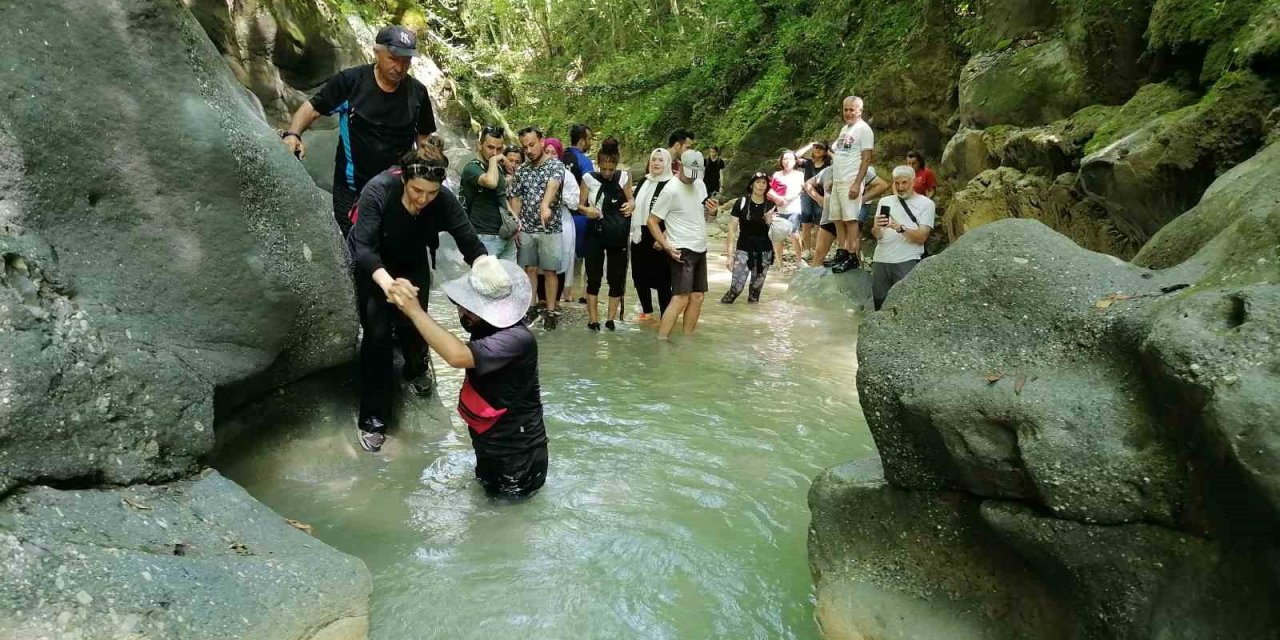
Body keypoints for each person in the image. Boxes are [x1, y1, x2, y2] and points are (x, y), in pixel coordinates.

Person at [347, 152, 487, 452]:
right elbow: (363, 248)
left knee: (416, 322)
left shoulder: (444, 200)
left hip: (412, 260)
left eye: (431, 193)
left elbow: (470, 243)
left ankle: (416, 365)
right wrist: (387, 283)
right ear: (404, 178)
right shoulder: (379, 190)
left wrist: (489, 270)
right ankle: (373, 418)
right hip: (376, 264)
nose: (423, 199)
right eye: (416, 191)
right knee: (377, 336)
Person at [386, 256, 547, 498]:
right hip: (491, 447)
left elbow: (456, 356)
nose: (461, 311)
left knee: (504, 524)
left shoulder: (516, 340)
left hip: (518, 457)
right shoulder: (486, 329)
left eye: (467, 306)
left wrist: (415, 311)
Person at [282, 26, 438, 238]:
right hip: (351, 189)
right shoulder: (351, 82)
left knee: (390, 248)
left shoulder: (417, 93)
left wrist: (427, 174)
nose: (400, 67)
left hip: (396, 189)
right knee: (352, 246)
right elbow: (313, 108)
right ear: (377, 52)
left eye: (406, 61)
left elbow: (424, 139)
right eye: (393, 58)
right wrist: (293, 135)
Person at [648, 149, 719, 339]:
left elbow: (702, 216)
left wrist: (712, 212)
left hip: (700, 246)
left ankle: (688, 341)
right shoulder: (670, 190)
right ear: (679, 166)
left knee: (697, 297)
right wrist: (665, 244)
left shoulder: (700, 185)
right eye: (690, 173)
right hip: (680, 248)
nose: (693, 178)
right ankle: (662, 340)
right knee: (680, 298)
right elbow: (652, 221)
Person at [511, 127, 566, 329]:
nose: (529, 150)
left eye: (532, 144)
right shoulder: (523, 170)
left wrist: (545, 205)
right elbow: (516, 197)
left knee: (550, 271)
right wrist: (516, 222)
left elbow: (553, 185)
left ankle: (551, 311)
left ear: (542, 141)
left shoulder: (556, 166)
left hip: (550, 229)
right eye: (525, 147)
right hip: (527, 228)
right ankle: (531, 306)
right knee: (529, 269)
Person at [579, 138, 635, 330]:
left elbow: (631, 200)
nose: (607, 173)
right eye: (604, 169)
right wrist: (588, 211)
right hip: (595, 231)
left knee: (616, 277)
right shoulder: (588, 178)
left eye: (611, 169)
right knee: (594, 276)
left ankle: (610, 320)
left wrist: (631, 205)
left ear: (616, 164)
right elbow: (580, 205)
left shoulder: (624, 177)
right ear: (599, 163)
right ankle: (593, 320)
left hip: (618, 233)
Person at [870, 165, 935, 310]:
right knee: (880, 305)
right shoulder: (885, 202)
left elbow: (922, 237)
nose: (900, 187)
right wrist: (877, 228)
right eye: (897, 183)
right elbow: (877, 235)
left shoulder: (927, 204)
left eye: (904, 183)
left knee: (904, 305)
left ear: (913, 182)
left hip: (907, 260)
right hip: (881, 259)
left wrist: (899, 228)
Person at [826, 96, 875, 273]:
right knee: (838, 218)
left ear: (860, 111)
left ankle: (852, 256)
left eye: (852, 110)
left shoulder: (864, 130)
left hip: (851, 180)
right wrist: (833, 178)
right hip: (839, 180)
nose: (848, 113)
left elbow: (867, 158)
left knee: (851, 219)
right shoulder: (845, 129)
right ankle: (842, 251)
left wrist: (857, 183)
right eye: (846, 109)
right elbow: (840, 155)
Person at [806, 163, 888, 268]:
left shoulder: (858, 170)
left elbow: (882, 185)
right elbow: (808, 184)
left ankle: (854, 280)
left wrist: (863, 200)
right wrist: (819, 199)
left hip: (849, 220)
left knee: (852, 256)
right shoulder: (827, 171)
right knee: (818, 255)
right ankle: (812, 282)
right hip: (829, 217)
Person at [630, 149, 675, 322]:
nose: (656, 163)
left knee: (663, 279)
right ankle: (647, 313)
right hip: (640, 234)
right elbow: (635, 203)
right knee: (639, 276)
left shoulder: (672, 184)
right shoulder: (644, 181)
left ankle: (666, 317)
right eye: (653, 160)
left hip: (660, 234)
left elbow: (676, 214)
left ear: (668, 163)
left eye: (660, 160)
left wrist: (664, 237)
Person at [460, 126, 518, 260]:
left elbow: (501, 195)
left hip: (505, 233)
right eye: (490, 147)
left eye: (499, 149)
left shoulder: (496, 167)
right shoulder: (472, 168)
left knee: (511, 279)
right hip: (484, 235)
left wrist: (513, 216)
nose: (495, 152)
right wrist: (494, 160)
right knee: (486, 280)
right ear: (479, 146)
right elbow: (491, 182)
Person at [722, 172, 775, 304]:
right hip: (744, 249)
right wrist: (729, 255)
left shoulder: (771, 206)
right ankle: (724, 309)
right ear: (751, 185)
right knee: (736, 288)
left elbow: (779, 233)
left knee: (755, 293)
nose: (761, 185)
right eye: (758, 182)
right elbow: (732, 229)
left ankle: (753, 319)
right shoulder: (741, 202)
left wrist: (770, 221)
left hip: (764, 251)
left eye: (764, 183)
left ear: (767, 186)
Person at [542, 137, 579, 306]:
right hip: (539, 222)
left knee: (561, 259)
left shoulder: (568, 175)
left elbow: (575, 201)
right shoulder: (536, 172)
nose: (550, 156)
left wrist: (557, 193)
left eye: (553, 153)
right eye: (547, 152)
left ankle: (555, 301)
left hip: (563, 220)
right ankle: (541, 300)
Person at [563, 124, 595, 303]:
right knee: (584, 256)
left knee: (567, 257)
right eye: (589, 139)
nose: (589, 142)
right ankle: (583, 294)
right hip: (580, 215)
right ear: (582, 140)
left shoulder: (560, 156)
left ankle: (565, 294)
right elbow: (590, 187)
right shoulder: (584, 161)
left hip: (560, 216)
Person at [768, 150, 805, 267]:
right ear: (781, 161)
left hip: (793, 208)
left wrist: (786, 199)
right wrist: (777, 198)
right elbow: (770, 190)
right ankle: (778, 262)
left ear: (795, 161)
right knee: (778, 236)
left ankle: (799, 260)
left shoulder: (799, 174)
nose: (787, 161)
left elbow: (800, 190)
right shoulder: (777, 175)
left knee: (794, 234)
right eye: (785, 159)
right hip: (779, 208)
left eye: (790, 159)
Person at [797, 142, 830, 260]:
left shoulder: (828, 163)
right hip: (807, 195)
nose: (818, 150)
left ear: (825, 152)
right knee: (805, 223)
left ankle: (816, 250)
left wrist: (829, 151)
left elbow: (839, 162)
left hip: (822, 196)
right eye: (816, 148)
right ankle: (806, 250)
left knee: (818, 224)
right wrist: (809, 145)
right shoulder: (808, 163)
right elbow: (795, 157)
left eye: (821, 148)